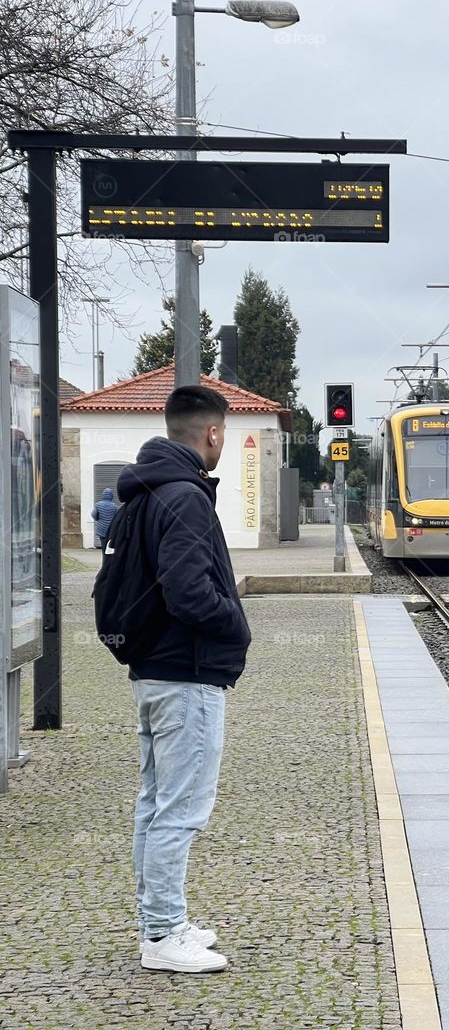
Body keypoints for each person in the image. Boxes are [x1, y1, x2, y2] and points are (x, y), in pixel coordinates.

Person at [114, 385, 251, 973]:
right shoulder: (187, 496)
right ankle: (164, 935)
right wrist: (235, 624)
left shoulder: (146, 490)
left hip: (154, 671)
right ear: (213, 433)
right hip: (186, 674)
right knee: (180, 810)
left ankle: (160, 920)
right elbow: (187, 590)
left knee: (155, 804)